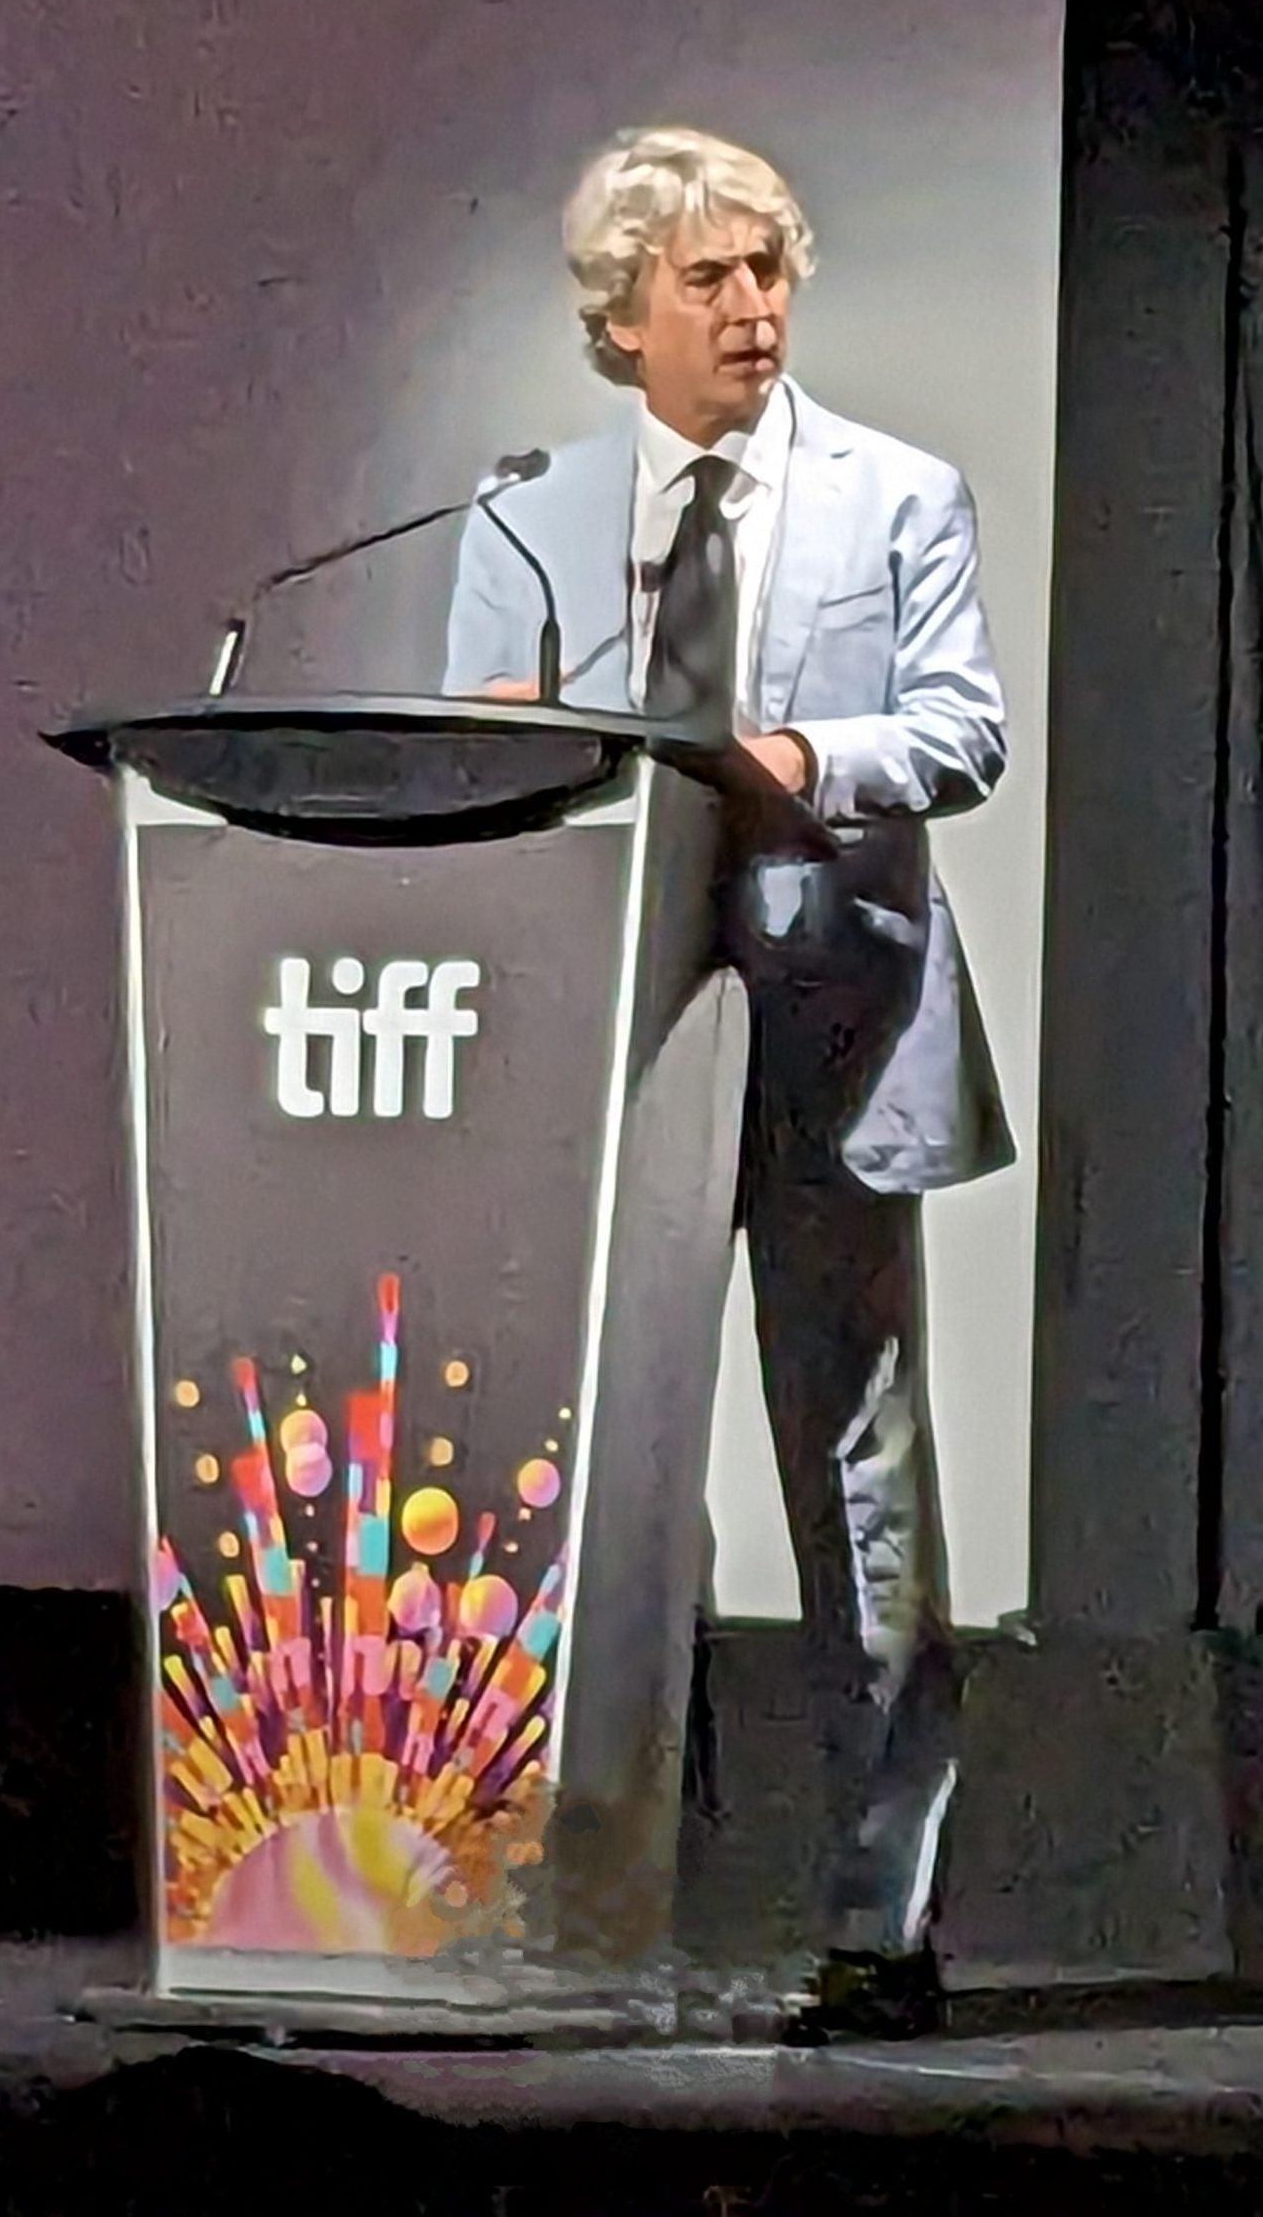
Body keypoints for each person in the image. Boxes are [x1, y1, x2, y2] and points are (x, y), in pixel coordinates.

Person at [443, 125, 1012, 2036]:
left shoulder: (896, 493)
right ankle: (569, 1891)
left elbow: (962, 733)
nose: (756, 306)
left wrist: (794, 757)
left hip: (832, 1034)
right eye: (710, 278)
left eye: (772, 270)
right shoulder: (529, 512)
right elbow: (475, 747)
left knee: (859, 1481)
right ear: (623, 319)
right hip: (612, 1043)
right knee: (593, 1480)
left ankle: (882, 1923)